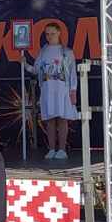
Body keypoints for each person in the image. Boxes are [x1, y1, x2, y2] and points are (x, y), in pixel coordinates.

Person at [34, 23, 78, 160]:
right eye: (47, 34)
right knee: (50, 120)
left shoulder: (66, 51)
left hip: (62, 89)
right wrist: (25, 64)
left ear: (59, 33)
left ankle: (62, 149)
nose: (49, 36)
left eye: (52, 33)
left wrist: (73, 91)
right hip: (47, 89)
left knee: (62, 118)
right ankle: (52, 149)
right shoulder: (43, 51)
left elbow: (72, 73)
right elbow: (36, 70)